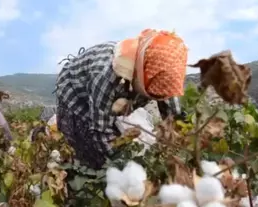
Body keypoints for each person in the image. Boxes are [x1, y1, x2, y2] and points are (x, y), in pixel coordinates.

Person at [55, 28, 188, 169]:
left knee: (115, 129)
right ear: (139, 76)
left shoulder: (162, 70)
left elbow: (174, 114)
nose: (157, 98)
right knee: (90, 153)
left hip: (107, 94)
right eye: (151, 94)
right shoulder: (106, 77)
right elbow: (101, 131)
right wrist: (124, 168)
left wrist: (181, 140)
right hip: (75, 95)